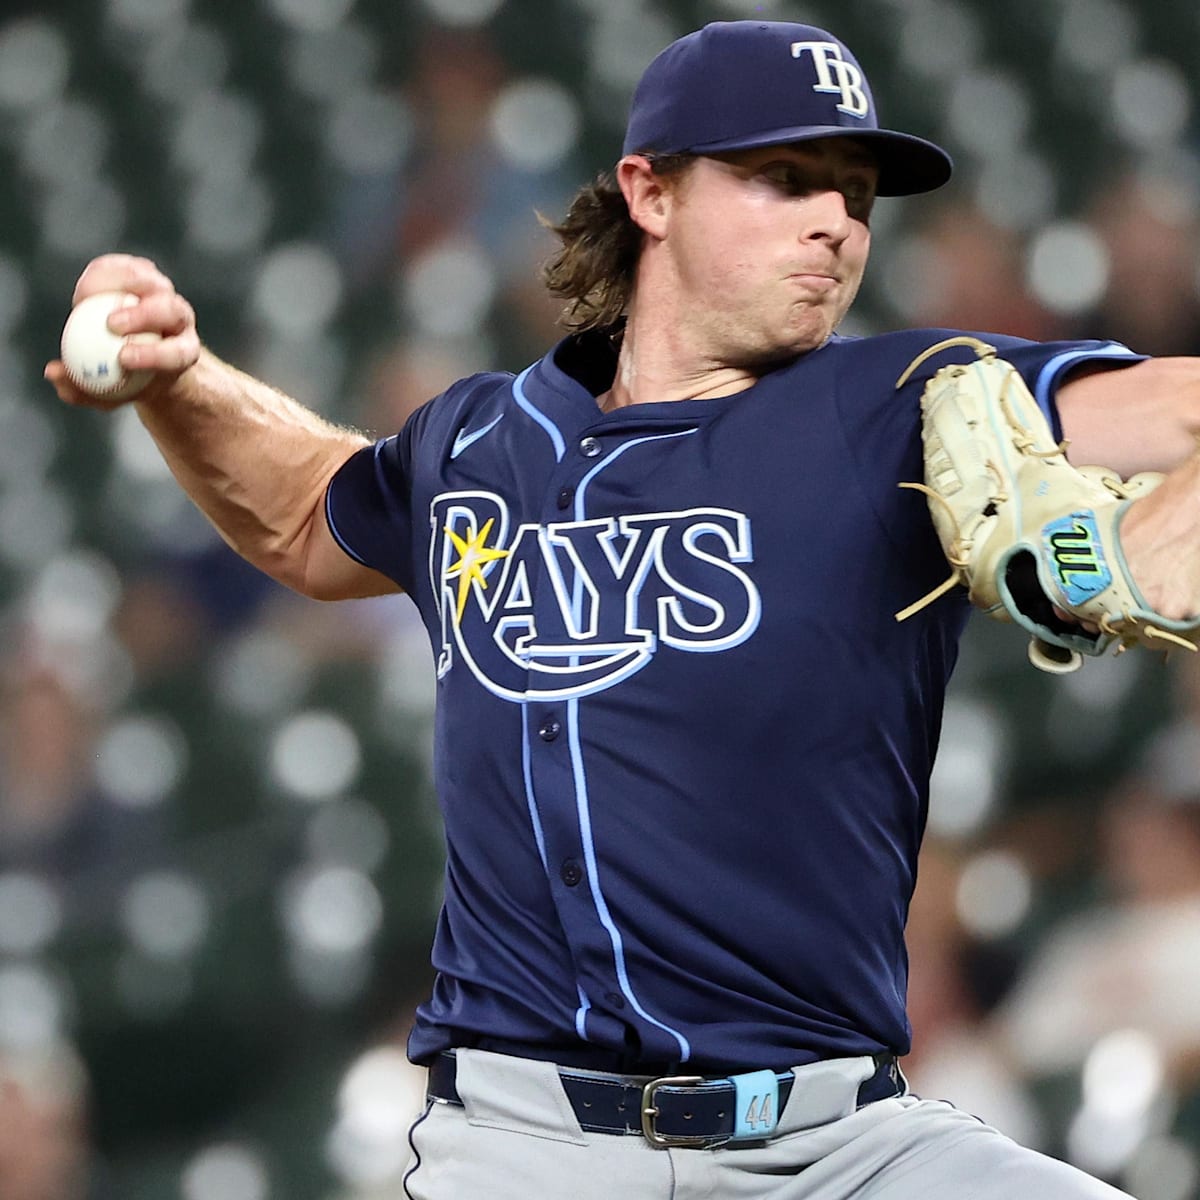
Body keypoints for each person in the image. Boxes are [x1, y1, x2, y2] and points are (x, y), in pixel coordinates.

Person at [44, 19, 1200, 1200]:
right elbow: (304, 513)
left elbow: (1183, 410)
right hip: (524, 1151)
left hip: (840, 1147)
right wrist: (180, 382)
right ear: (650, 192)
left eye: (855, 194)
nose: (835, 223)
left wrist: (1149, 539)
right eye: (784, 179)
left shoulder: (901, 405)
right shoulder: (482, 442)